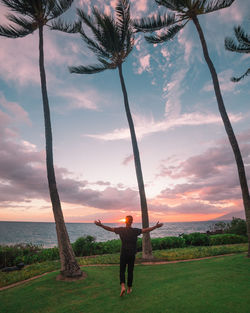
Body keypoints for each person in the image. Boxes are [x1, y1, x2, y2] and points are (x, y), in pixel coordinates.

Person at [94, 216, 163, 296]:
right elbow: (146, 230)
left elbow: (110, 229)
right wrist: (155, 226)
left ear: (125, 222)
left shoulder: (121, 230)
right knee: (130, 271)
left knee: (122, 270)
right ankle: (129, 288)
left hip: (123, 253)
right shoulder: (135, 231)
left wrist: (101, 225)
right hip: (131, 254)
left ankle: (123, 286)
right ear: (132, 222)